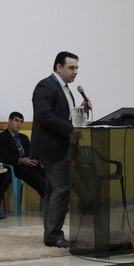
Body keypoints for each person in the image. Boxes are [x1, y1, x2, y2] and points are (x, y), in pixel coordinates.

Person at [30, 51, 90, 248]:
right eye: (71, 67)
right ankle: (54, 234)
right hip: (52, 147)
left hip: (62, 145)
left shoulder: (65, 89)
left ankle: (50, 233)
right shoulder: (46, 86)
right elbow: (44, 115)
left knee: (53, 190)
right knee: (62, 189)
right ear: (58, 67)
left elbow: (64, 116)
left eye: (77, 68)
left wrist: (80, 109)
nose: (75, 72)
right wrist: (71, 129)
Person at [0, 111, 46, 198]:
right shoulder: (2, 137)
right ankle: (50, 201)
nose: (18, 124)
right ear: (9, 121)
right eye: (16, 120)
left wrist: (35, 159)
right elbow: (3, 157)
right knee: (38, 179)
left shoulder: (24, 137)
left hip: (29, 165)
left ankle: (53, 200)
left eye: (21, 122)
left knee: (48, 176)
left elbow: (30, 153)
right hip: (15, 167)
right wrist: (21, 160)